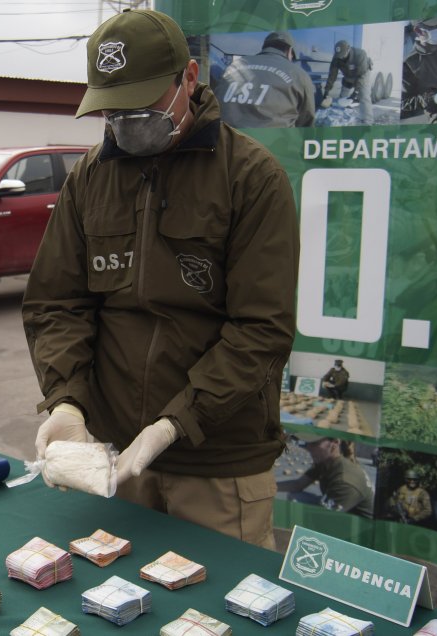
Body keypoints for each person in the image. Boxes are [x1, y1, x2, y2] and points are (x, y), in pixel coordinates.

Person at [22, 9, 299, 550]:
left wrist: (173, 424)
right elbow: (56, 304)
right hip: (112, 459)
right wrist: (67, 401)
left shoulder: (250, 177)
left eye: (143, 106)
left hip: (217, 464)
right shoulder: (90, 177)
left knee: (219, 615)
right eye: (113, 110)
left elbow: (261, 330)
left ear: (189, 79)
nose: (127, 123)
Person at [214, 31, 316, 128]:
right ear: (289, 51)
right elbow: (306, 123)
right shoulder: (298, 75)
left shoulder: (233, 67)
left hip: (228, 141)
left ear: (265, 47)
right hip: (273, 143)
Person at [278, 432, 374, 517]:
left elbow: (323, 520)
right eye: (307, 443)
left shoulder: (345, 480)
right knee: (295, 497)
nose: (308, 448)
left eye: (314, 443)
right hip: (340, 509)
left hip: (359, 527)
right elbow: (297, 485)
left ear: (335, 443)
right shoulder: (324, 463)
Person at [321, 40, 373, 124]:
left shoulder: (360, 54)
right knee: (342, 97)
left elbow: (361, 76)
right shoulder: (337, 57)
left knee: (364, 96)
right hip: (348, 75)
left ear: (348, 49)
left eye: (342, 55)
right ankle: (340, 115)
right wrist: (327, 90)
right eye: (339, 56)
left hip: (362, 75)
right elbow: (332, 75)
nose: (341, 57)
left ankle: (368, 120)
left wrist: (355, 93)